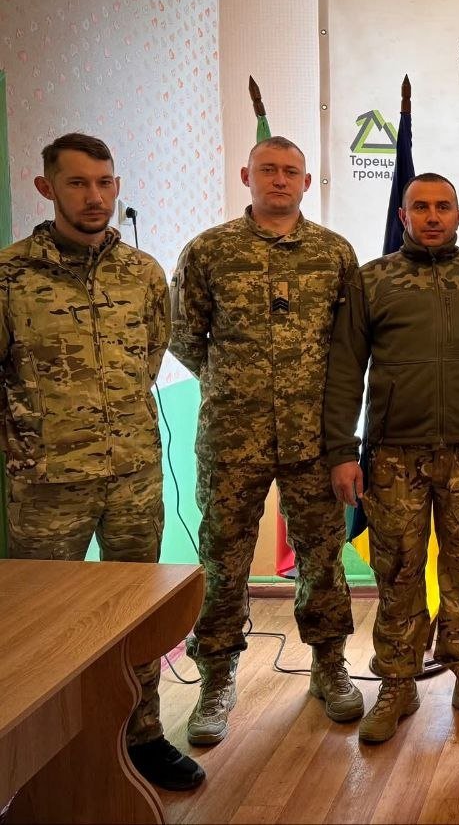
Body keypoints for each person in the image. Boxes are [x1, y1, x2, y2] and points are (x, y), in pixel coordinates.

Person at [0, 132, 202, 790]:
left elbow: (151, 354)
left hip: (133, 477)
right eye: (78, 183)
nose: (95, 196)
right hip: (46, 485)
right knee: (40, 628)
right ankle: (45, 757)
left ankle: (143, 737)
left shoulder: (141, 273)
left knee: (138, 616)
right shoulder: (9, 275)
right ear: (47, 187)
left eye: (105, 182)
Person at [171, 136, 361, 746]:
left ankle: (329, 666)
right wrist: (235, 383)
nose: (279, 180)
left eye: (291, 172)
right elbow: (184, 336)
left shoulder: (334, 253)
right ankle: (216, 678)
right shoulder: (210, 251)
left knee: (322, 558)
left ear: (306, 182)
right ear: (246, 176)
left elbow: (349, 345)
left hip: (313, 438)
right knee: (223, 560)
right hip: (233, 437)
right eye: (268, 170)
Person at [326, 172, 459, 743]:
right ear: (403, 216)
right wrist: (341, 451)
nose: (432, 216)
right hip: (393, 457)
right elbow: (345, 369)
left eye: (443, 206)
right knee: (399, 572)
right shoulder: (372, 280)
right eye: (421, 207)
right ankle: (397, 682)